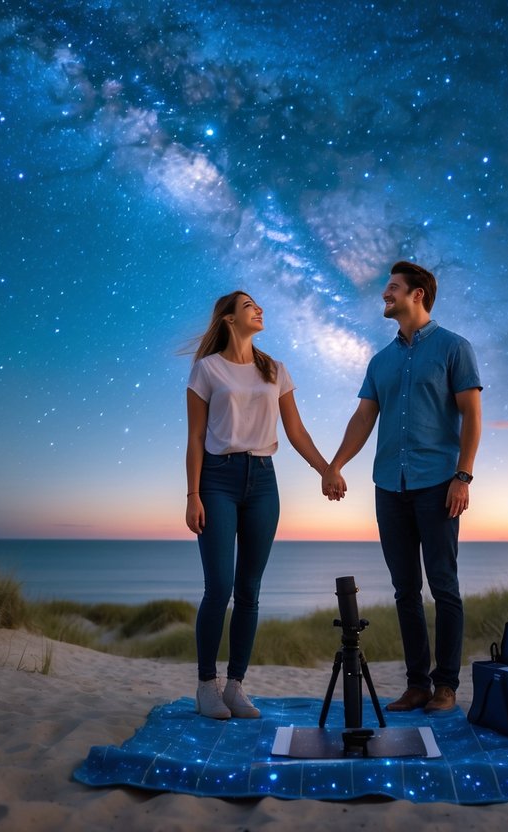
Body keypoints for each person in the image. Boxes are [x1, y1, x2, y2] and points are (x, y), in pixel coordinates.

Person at [321, 261, 482, 713]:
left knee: (444, 585)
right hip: (389, 486)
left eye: (392, 289)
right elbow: (363, 419)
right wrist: (335, 464)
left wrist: (463, 476)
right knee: (405, 589)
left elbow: (472, 415)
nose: (384, 295)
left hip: (438, 484)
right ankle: (417, 685)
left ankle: (446, 685)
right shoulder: (381, 361)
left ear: (418, 295)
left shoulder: (454, 348)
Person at [185, 290, 333, 719]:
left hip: (264, 482)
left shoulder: (275, 369)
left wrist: (326, 469)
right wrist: (193, 494)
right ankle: (205, 686)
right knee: (220, 587)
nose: (259, 309)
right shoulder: (206, 369)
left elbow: (297, 431)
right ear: (229, 319)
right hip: (216, 479)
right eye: (249, 306)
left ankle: (235, 686)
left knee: (249, 591)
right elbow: (195, 438)